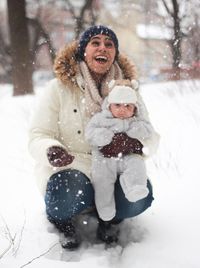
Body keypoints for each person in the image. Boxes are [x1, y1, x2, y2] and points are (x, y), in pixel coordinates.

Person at [28, 25, 159, 250]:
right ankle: (64, 221)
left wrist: (134, 144)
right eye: (95, 42)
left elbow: (151, 135)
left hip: (116, 165)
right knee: (65, 194)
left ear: (115, 53)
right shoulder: (59, 88)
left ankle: (111, 219)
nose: (103, 48)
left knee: (138, 197)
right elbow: (38, 134)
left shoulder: (129, 91)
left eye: (109, 44)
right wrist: (51, 150)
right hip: (75, 166)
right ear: (83, 51)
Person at [85, 79, 155, 222]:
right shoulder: (100, 119)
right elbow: (89, 133)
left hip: (128, 156)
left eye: (128, 106)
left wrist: (135, 132)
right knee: (102, 180)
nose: (122, 110)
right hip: (104, 159)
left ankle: (134, 188)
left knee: (137, 164)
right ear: (109, 105)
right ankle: (105, 210)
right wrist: (104, 137)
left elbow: (148, 130)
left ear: (135, 108)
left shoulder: (135, 120)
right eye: (117, 105)